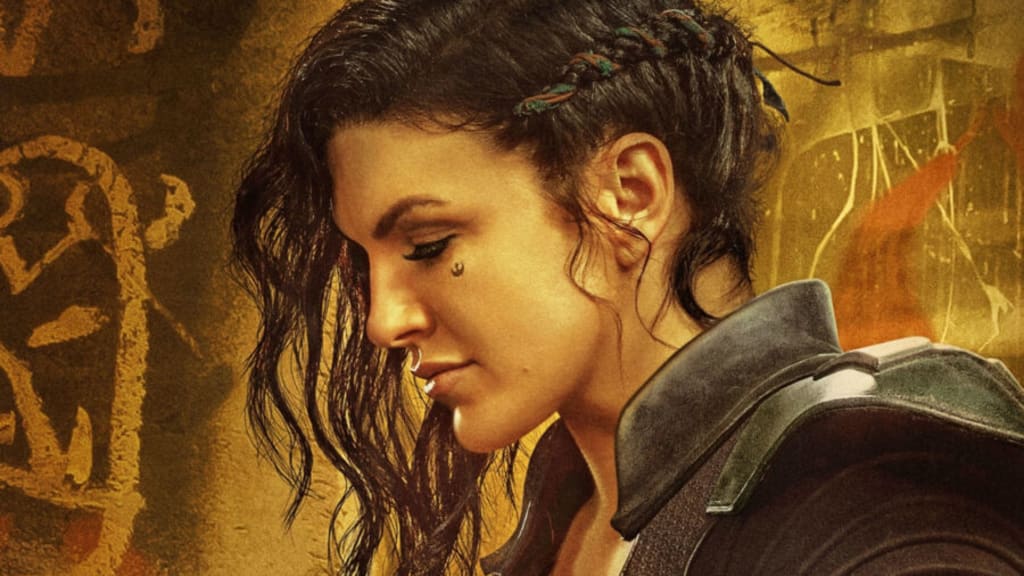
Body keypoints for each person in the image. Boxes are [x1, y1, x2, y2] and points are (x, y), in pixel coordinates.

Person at [231, 0, 1024, 574]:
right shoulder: (566, 517)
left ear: (629, 194)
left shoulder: (870, 508)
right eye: (363, 260)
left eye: (428, 246)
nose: (383, 319)